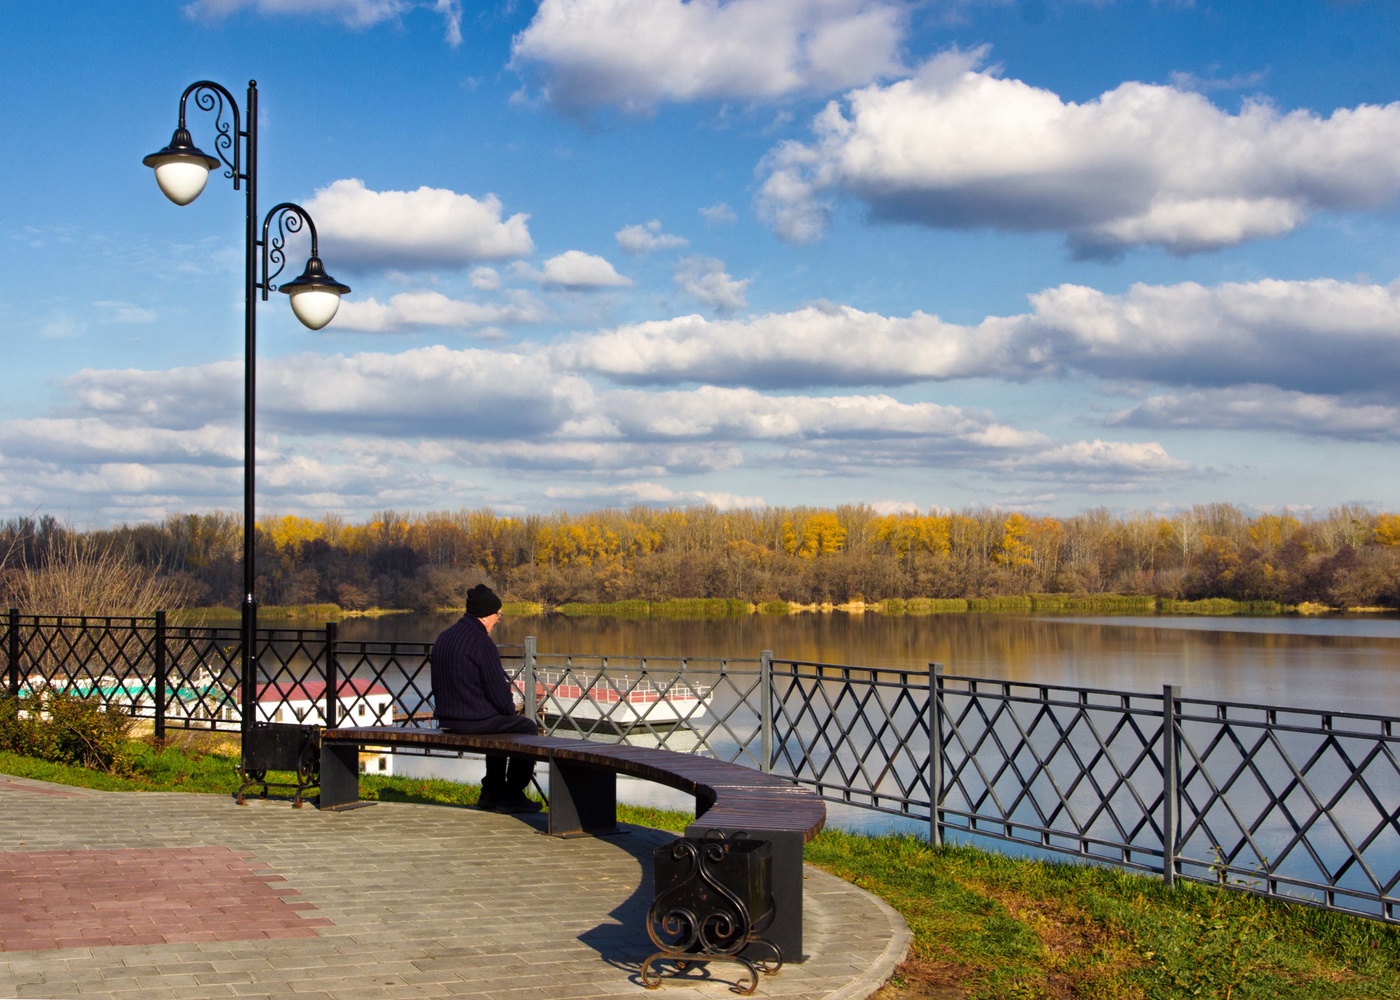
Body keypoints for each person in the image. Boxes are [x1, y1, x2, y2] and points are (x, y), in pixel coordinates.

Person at [430, 584, 541, 813]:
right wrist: (510, 712)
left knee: (499, 724)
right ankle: (511, 794)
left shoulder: (444, 637)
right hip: (472, 721)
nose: (498, 620)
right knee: (527, 727)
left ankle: (491, 792)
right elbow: (499, 694)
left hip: (447, 720)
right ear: (486, 615)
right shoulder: (481, 642)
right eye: (497, 615)